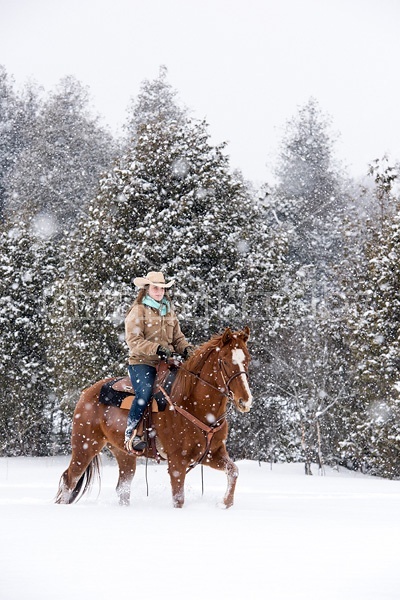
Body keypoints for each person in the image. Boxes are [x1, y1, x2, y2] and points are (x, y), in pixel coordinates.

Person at [124, 271, 193, 453]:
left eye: (162, 288)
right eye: (155, 287)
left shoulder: (168, 310)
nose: (159, 291)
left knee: (187, 389)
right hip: (142, 362)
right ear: (147, 288)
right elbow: (134, 341)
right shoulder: (138, 310)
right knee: (144, 394)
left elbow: (178, 337)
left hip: (167, 363)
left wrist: (186, 349)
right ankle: (132, 434)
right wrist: (156, 349)